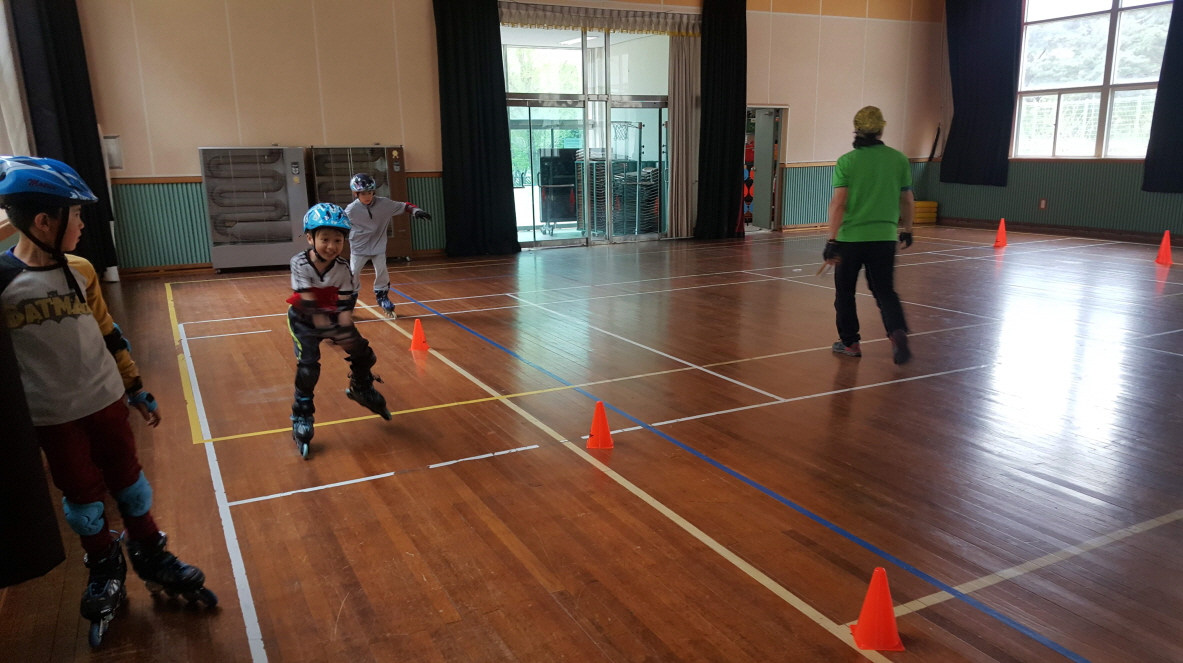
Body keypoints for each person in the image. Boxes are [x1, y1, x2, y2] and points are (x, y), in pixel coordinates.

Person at [0, 156, 214, 648]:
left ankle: (150, 552)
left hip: (105, 401)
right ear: (44, 221)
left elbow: (108, 332)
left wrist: (135, 387)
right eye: (76, 215)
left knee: (130, 483)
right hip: (53, 416)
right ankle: (103, 565)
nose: (83, 224)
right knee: (82, 499)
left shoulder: (80, 270)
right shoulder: (4, 282)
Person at [287, 202, 392, 459]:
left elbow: (345, 303)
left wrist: (345, 330)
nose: (331, 246)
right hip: (304, 319)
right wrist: (328, 327)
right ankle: (302, 413)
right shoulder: (299, 263)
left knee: (364, 354)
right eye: (324, 239)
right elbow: (308, 300)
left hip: (332, 315)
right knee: (309, 367)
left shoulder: (344, 268)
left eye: (337, 240)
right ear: (310, 238)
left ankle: (361, 387)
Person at [823, 106, 915, 365]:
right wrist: (908, 229)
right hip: (884, 238)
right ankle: (897, 332)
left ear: (857, 131)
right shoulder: (898, 159)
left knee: (845, 293)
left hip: (850, 239)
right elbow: (907, 199)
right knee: (884, 291)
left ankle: (850, 343)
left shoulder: (847, 161)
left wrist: (831, 240)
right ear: (881, 130)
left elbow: (839, 203)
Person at [343, 173, 432, 318]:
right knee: (354, 273)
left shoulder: (384, 204)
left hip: (378, 245)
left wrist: (416, 211)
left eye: (370, 192)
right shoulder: (351, 210)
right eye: (363, 193)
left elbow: (405, 206)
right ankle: (350, 299)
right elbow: (340, 224)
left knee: (382, 271)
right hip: (359, 247)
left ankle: (382, 296)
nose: (367, 196)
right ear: (355, 194)